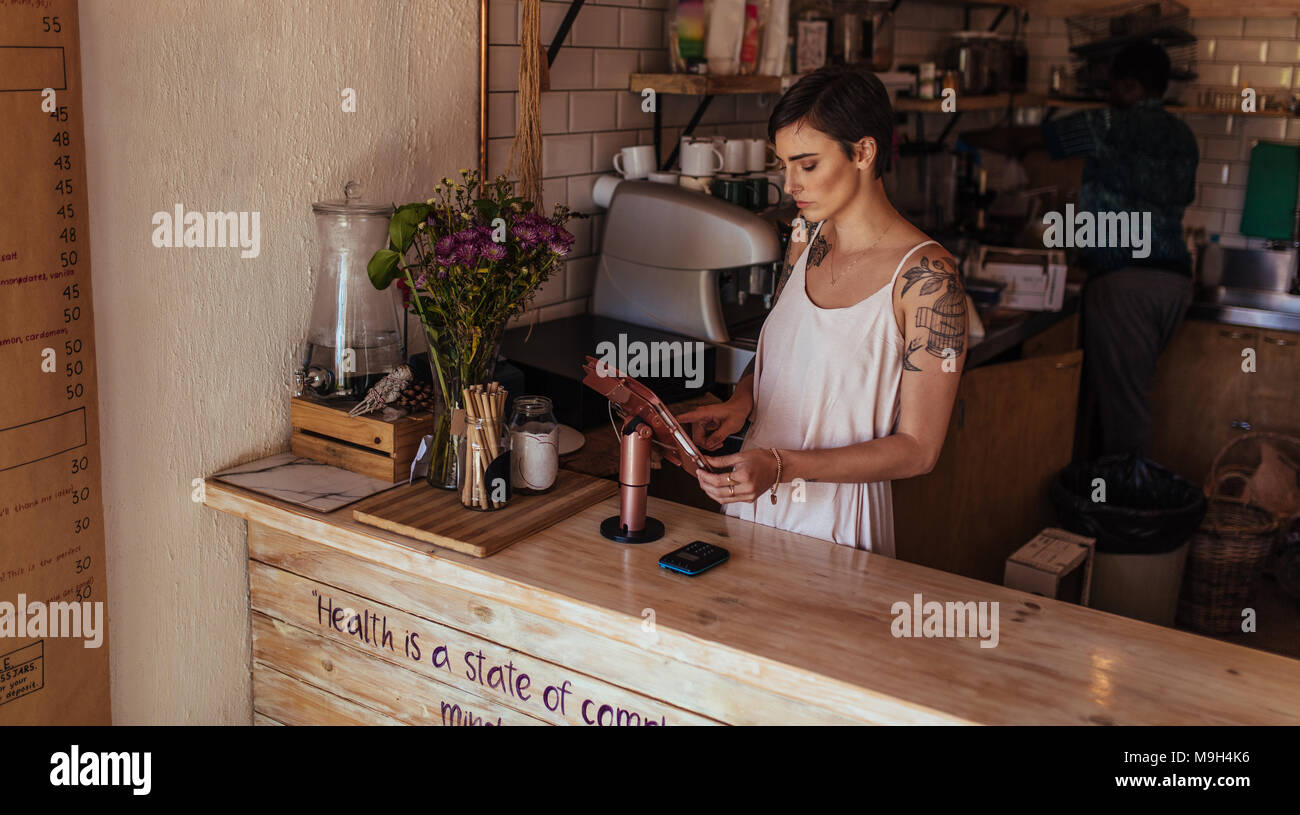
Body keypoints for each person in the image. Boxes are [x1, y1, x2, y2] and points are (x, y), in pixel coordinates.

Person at [677, 65, 968, 557]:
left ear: (863, 152)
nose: (790, 183)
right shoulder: (803, 236)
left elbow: (920, 450)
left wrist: (781, 465)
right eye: (784, 164)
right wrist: (740, 405)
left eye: (807, 165)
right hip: (752, 507)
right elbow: (787, 348)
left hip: (838, 527)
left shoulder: (928, 278)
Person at [1041, 41, 1198, 457]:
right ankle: (1105, 496)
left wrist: (972, 138)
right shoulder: (1183, 134)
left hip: (1127, 287)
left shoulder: (1108, 125)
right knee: (1117, 395)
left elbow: (1039, 139)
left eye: (1112, 87)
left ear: (1130, 87)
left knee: (1123, 413)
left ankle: (1126, 511)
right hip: (1175, 284)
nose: (1107, 96)